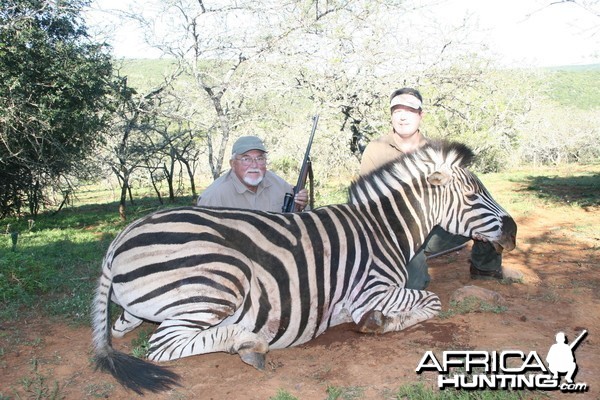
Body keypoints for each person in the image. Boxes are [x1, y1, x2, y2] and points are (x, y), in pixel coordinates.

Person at [360, 87, 517, 290]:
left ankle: (485, 268)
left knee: (485, 214)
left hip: (437, 227)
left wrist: (474, 221)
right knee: (412, 284)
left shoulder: (437, 152)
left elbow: (460, 193)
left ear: (420, 115)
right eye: (397, 111)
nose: (402, 117)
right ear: (391, 116)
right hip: (396, 231)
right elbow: (365, 200)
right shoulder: (376, 148)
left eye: (409, 111)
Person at [197, 135, 308, 212]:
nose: (254, 165)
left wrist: (300, 206)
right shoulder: (212, 197)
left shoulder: (280, 185)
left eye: (259, 159)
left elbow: (302, 217)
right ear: (232, 164)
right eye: (246, 159)